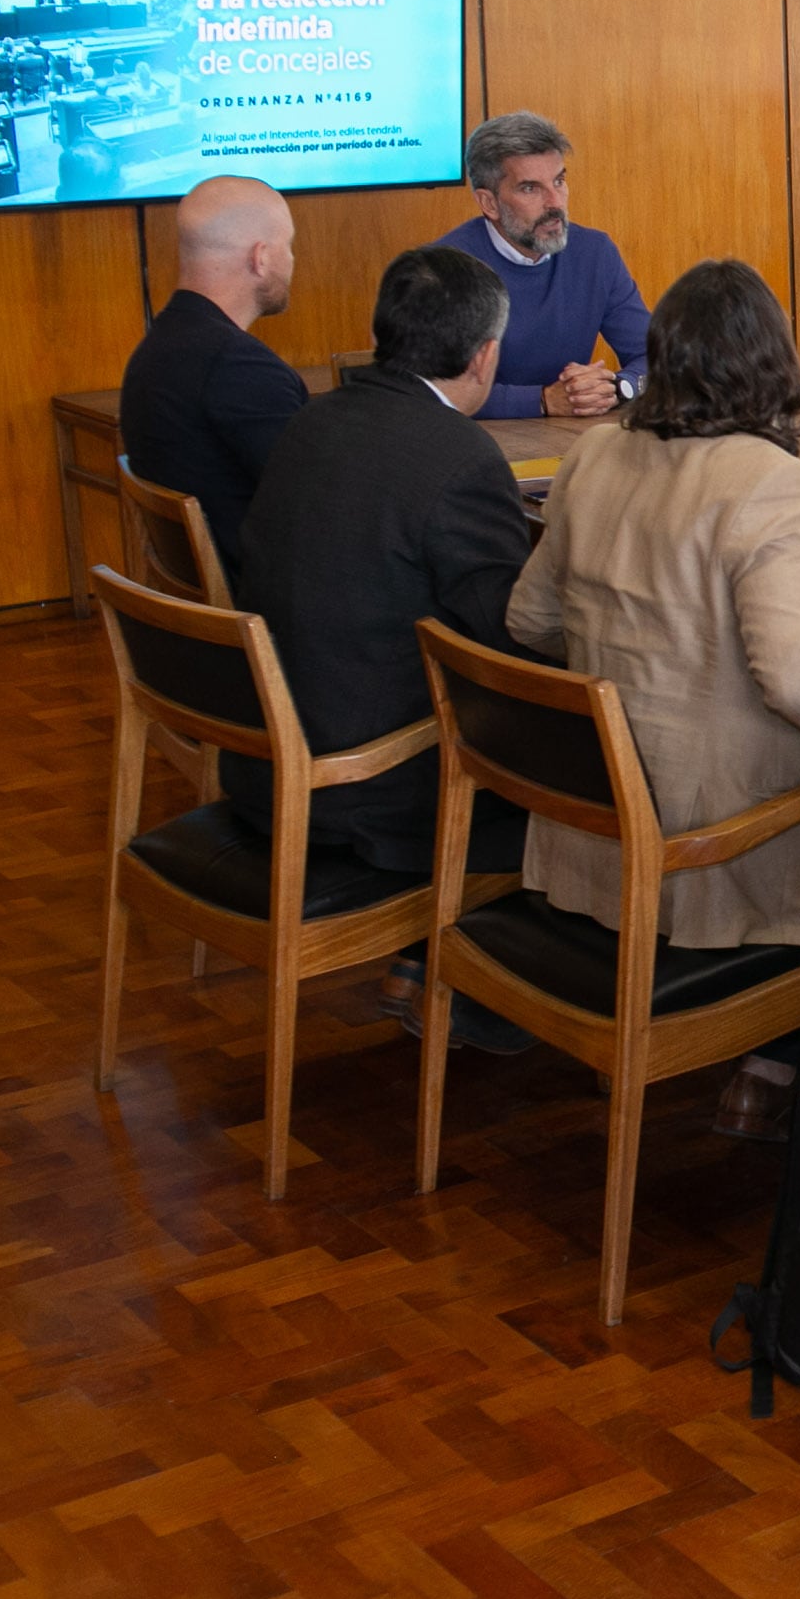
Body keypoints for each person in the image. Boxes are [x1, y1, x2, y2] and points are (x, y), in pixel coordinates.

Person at [507, 259, 800, 1138]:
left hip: (592, 827)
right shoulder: (772, 485)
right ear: (773, 363)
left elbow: (527, 620)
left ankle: (778, 1062)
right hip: (710, 857)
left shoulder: (597, 452)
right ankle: (795, 1065)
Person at [230, 247, 539, 1053]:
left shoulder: (313, 418)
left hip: (268, 752)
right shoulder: (459, 458)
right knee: (579, 759)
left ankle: (419, 963)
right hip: (367, 790)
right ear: (484, 355)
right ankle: (487, 985)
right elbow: (510, 642)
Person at [117, 175, 309, 569]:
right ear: (261, 257)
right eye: (288, 247)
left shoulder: (156, 348)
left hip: (211, 596)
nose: (291, 261)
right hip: (268, 603)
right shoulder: (239, 369)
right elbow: (318, 500)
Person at [429, 110, 649, 421]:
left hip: (566, 442)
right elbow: (435, 390)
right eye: (530, 188)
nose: (555, 203)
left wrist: (617, 388)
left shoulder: (595, 253)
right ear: (489, 203)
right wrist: (542, 400)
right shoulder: (442, 269)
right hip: (476, 447)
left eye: (559, 181)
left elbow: (658, 357)